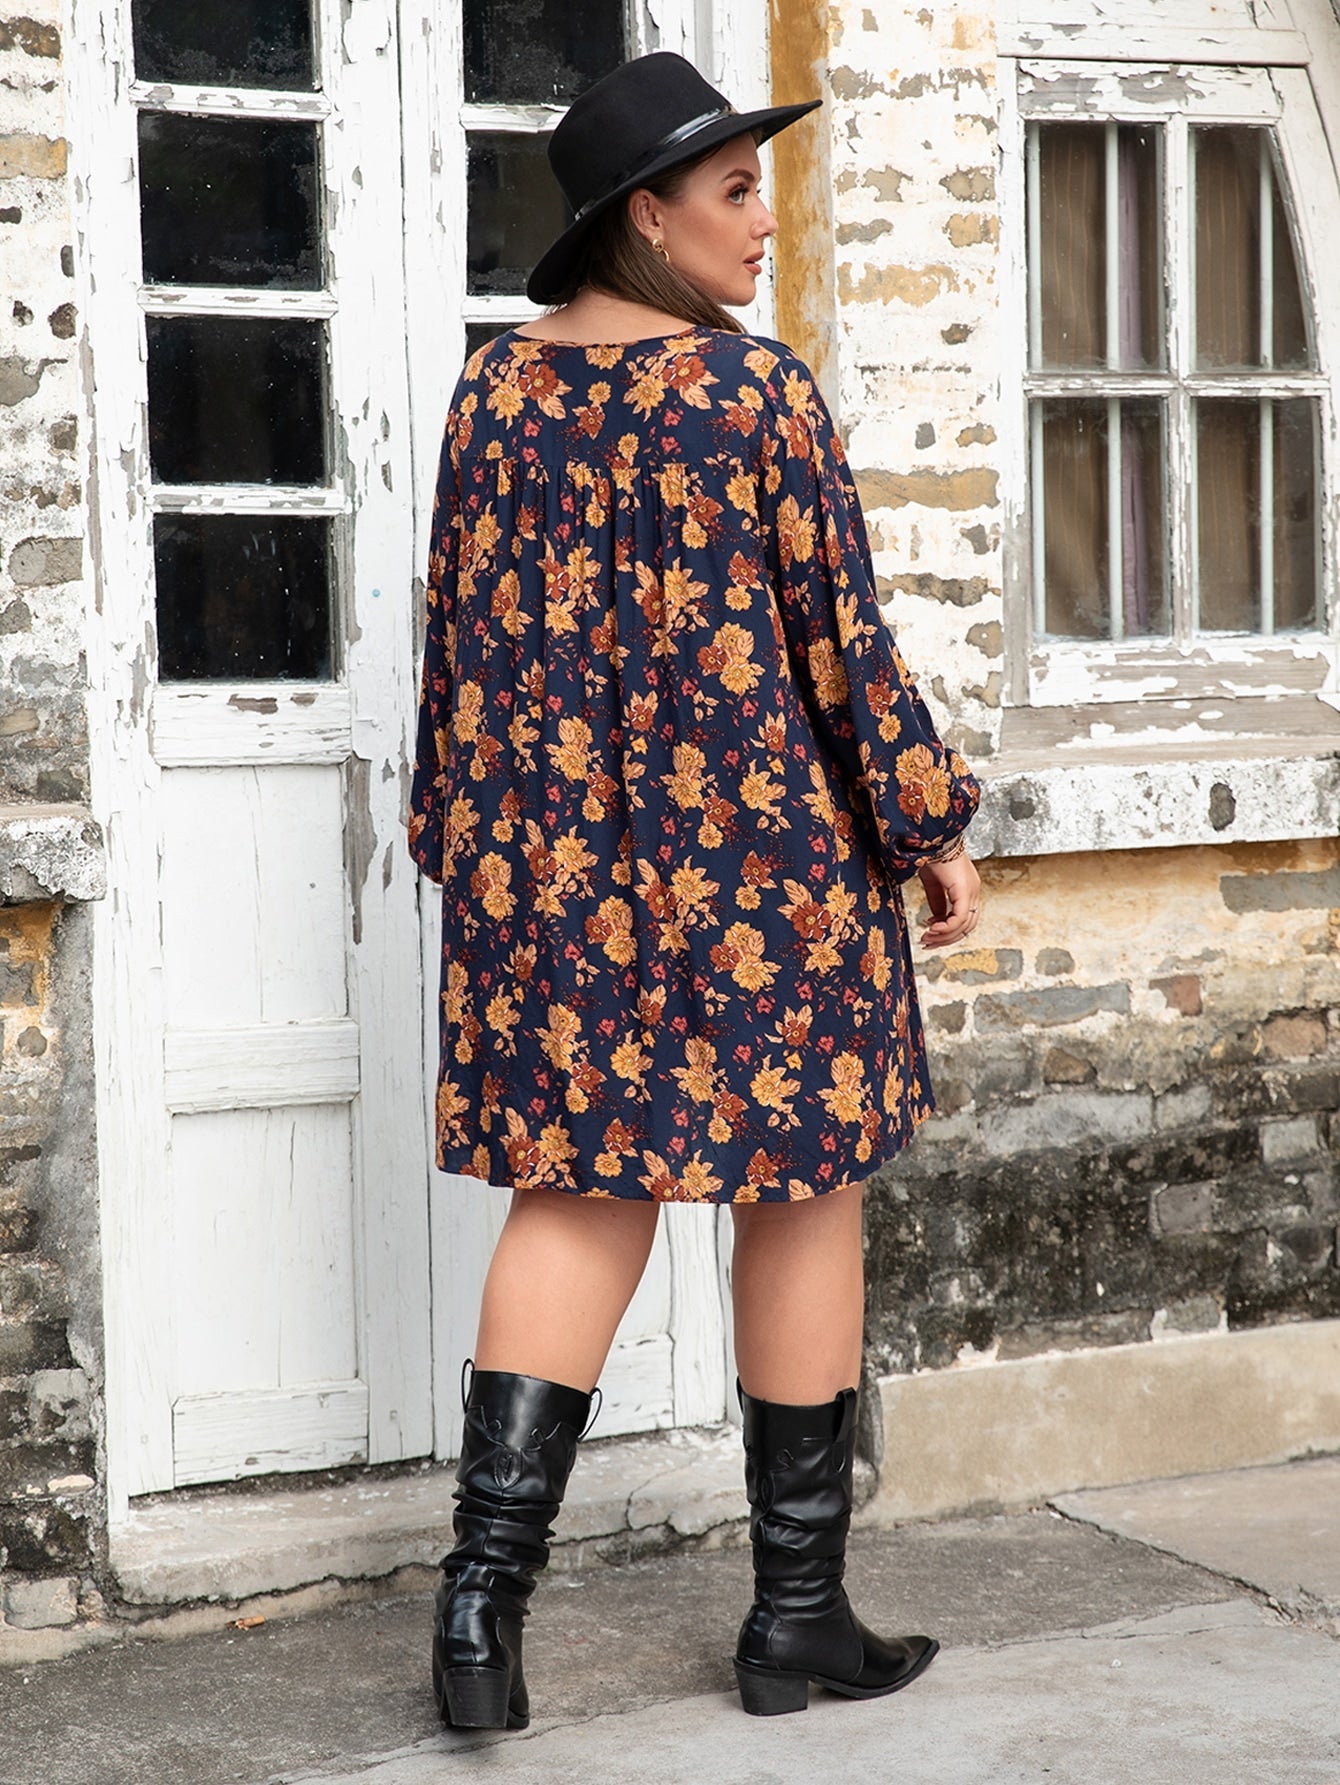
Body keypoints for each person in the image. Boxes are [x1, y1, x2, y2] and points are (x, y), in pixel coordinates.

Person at [407, 50, 982, 1731]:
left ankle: (477, 1618)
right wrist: (927, 823)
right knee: (799, 1191)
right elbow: (841, 639)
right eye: (734, 191)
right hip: (762, 870)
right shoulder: (754, 396)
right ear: (643, 216)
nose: (763, 222)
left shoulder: (493, 393)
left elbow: (456, 645)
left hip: (556, 873)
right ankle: (795, 1616)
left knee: (576, 1198)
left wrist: (467, 845)